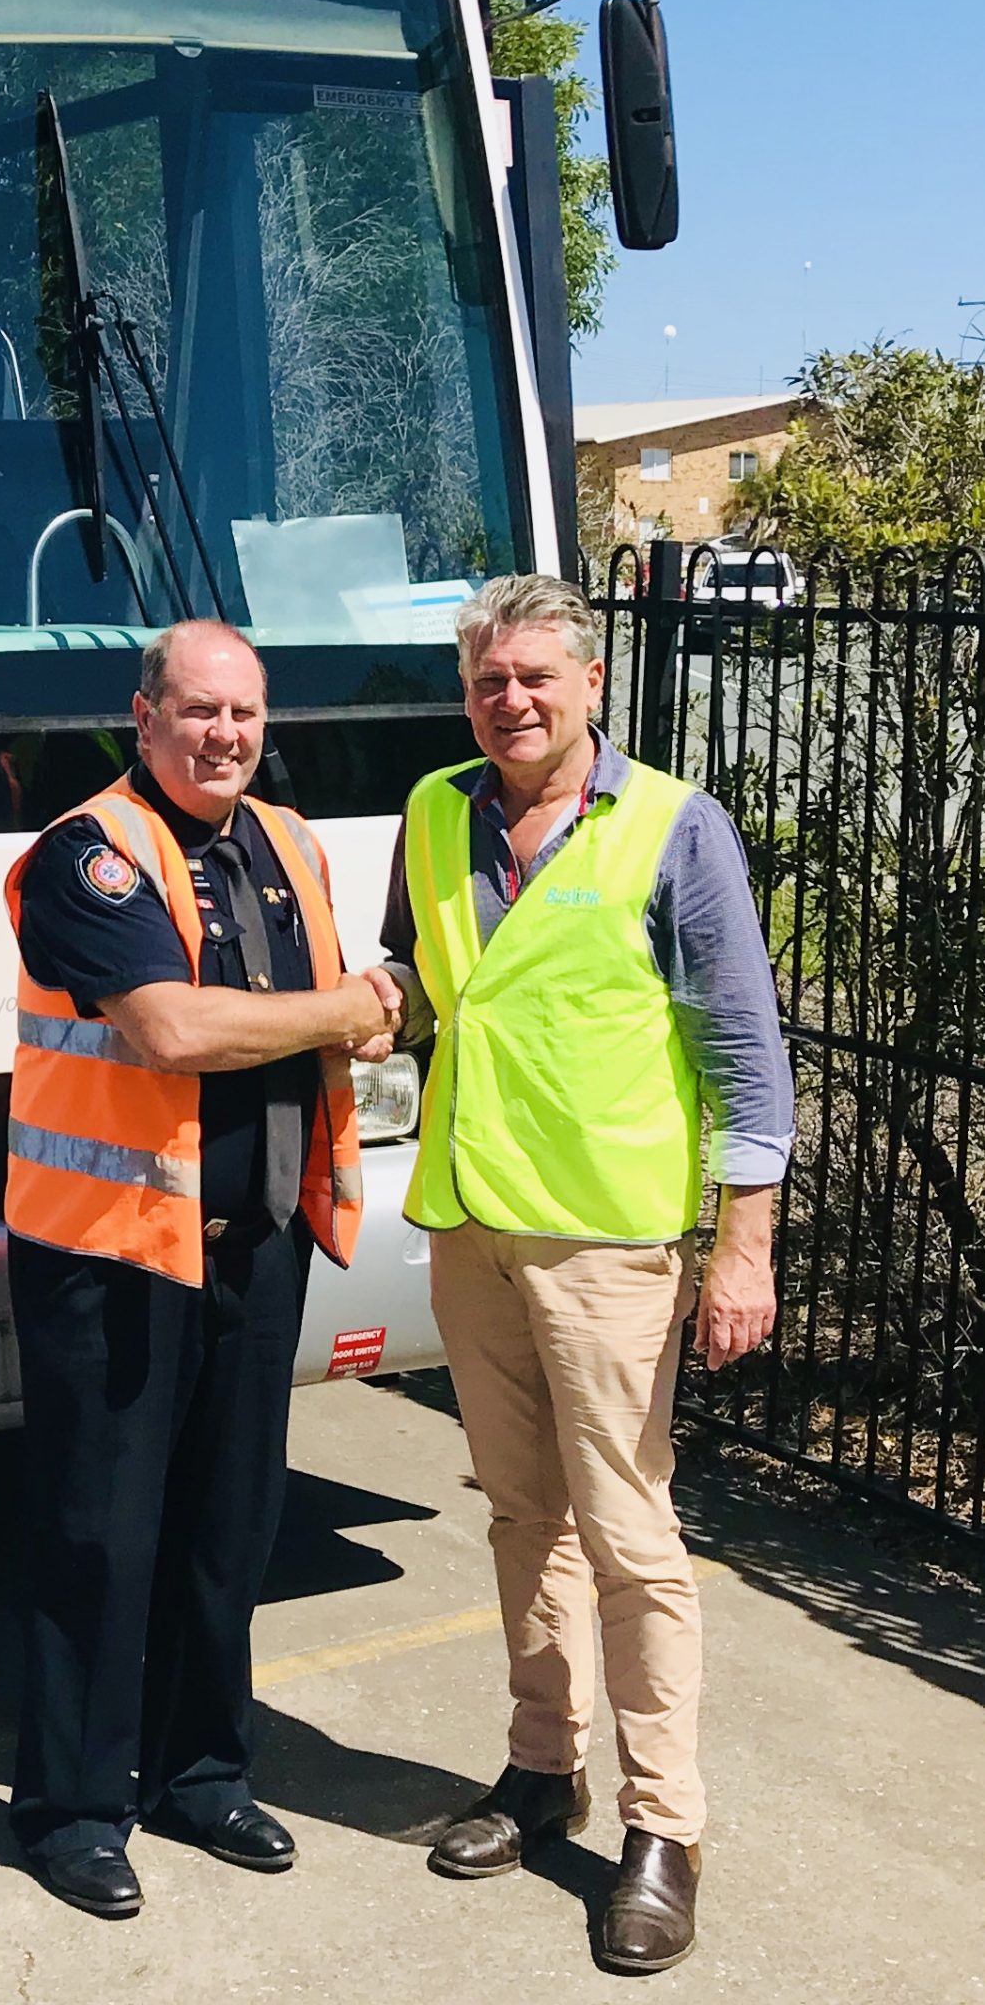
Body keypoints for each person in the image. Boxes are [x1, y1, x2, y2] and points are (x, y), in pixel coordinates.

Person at [374, 572, 790, 1976]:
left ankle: (661, 1830)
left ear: (591, 684)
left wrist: (742, 1247)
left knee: (627, 1535)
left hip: (609, 1241)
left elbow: (742, 1051)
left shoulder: (673, 827)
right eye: (489, 681)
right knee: (515, 1516)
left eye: (537, 678)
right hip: (469, 1223)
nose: (512, 702)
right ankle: (539, 1770)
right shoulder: (434, 813)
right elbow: (412, 982)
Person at [2, 619, 397, 1918]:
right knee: (99, 1542)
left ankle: (201, 1775)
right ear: (144, 717)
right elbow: (168, 1029)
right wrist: (349, 1010)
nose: (223, 736)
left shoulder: (288, 843)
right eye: (197, 712)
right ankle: (69, 1810)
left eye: (242, 714)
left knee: (228, 1533)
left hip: (254, 1245)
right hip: (111, 1255)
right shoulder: (88, 855)